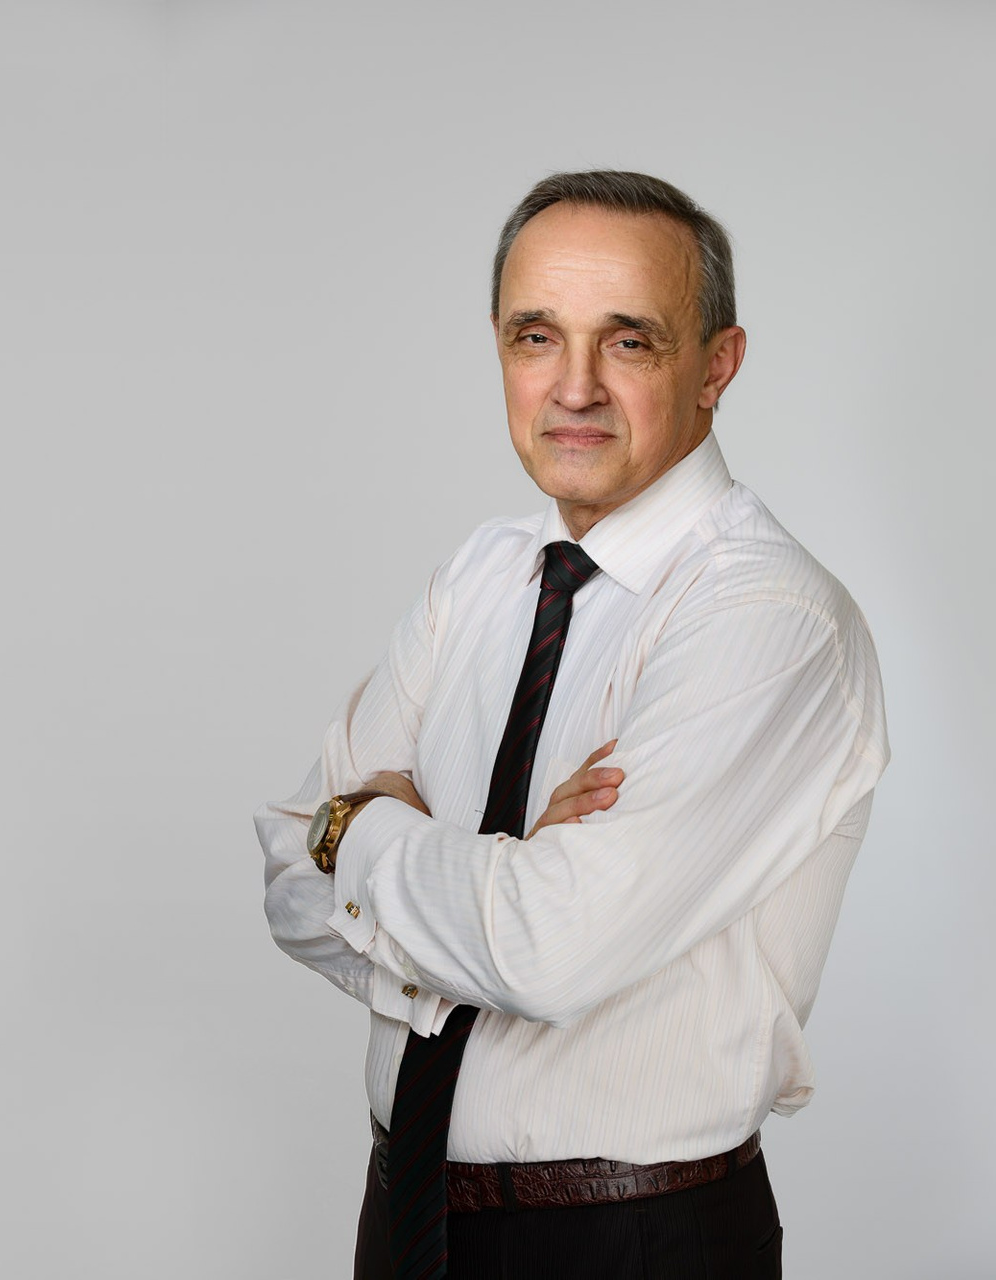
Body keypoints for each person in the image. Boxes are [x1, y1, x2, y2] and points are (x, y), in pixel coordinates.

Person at [252, 169, 889, 1280]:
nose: (575, 386)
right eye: (536, 336)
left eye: (629, 341)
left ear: (717, 366)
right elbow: (285, 878)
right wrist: (495, 874)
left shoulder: (770, 615)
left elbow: (545, 948)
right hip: (401, 1218)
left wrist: (361, 830)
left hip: (630, 1241)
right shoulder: (480, 576)